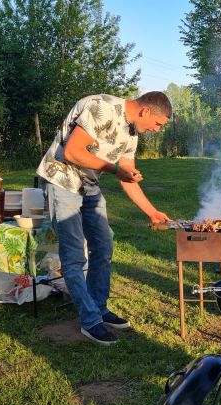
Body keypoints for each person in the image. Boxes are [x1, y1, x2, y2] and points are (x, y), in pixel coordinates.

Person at [36, 92, 172, 344]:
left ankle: (99, 307)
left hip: (89, 185)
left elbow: (126, 177)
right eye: (158, 124)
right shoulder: (103, 109)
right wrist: (114, 168)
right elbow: (73, 152)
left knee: (104, 245)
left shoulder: (132, 133)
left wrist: (152, 212)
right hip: (62, 181)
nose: (156, 129)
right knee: (74, 255)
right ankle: (90, 321)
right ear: (145, 111)